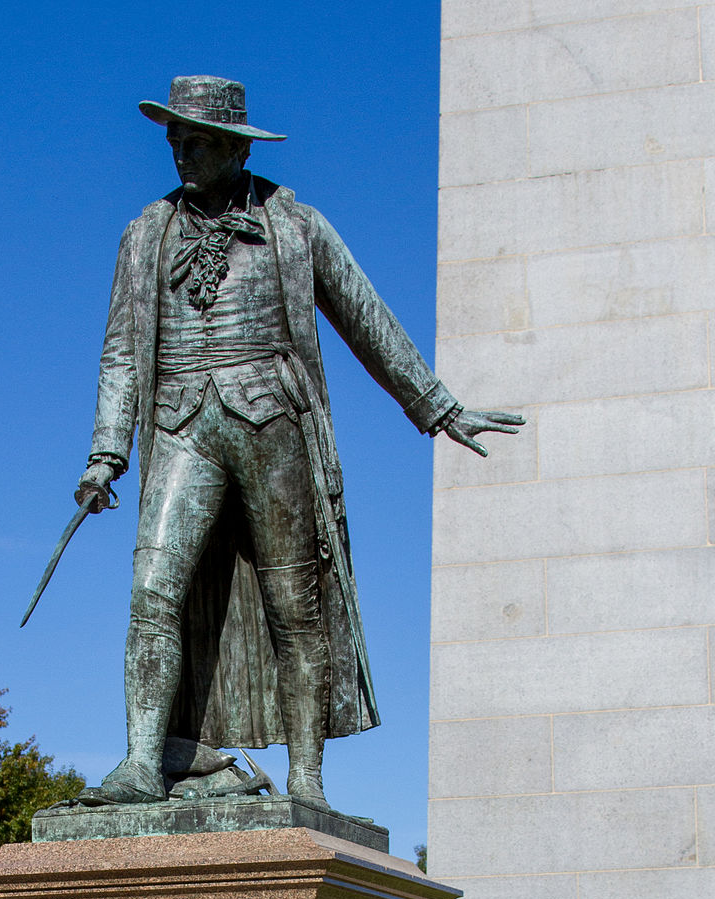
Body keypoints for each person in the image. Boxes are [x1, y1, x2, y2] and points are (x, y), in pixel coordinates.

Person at [77, 76, 522, 808]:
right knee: (151, 593)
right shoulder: (144, 233)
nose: (181, 154)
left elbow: (364, 316)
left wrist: (438, 407)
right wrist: (105, 454)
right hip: (181, 423)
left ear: (233, 145)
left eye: (197, 141)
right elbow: (122, 351)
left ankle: (306, 778)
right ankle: (139, 761)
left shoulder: (295, 223)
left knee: (296, 604)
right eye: (174, 140)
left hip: (274, 423)